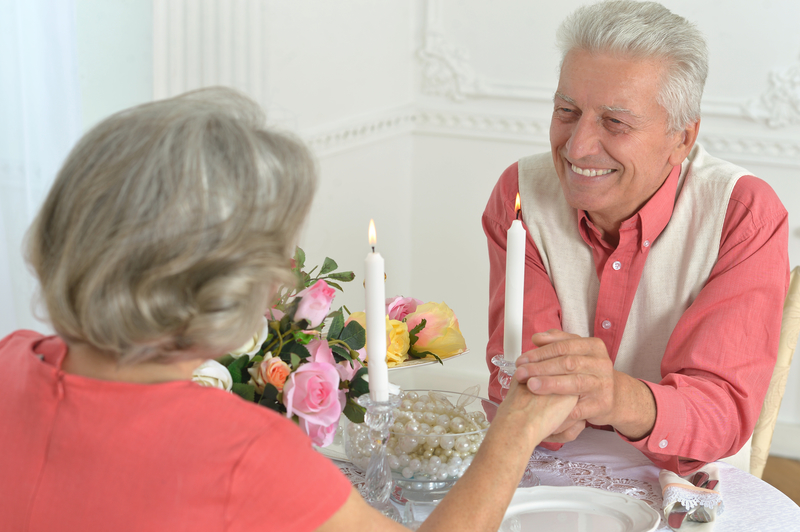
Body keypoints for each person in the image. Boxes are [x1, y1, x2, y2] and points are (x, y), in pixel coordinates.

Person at [0, 87, 576, 531]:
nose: (280, 276)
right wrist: (515, 432)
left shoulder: (11, 360)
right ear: (227, 281)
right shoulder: (240, 450)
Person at [483, 0, 789, 475]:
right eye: (567, 110)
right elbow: (516, 373)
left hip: (687, 478)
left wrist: (614, 396)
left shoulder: (743, 214)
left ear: (681, 139)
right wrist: (541, 397)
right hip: (548, 467)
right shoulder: (520, 195)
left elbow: (720, 413)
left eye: (615, 123)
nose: (577, 147)